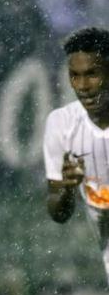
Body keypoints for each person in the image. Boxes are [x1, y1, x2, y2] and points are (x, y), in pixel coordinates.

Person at [44, 27, 109, 282]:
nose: (82, 86)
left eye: (92, 75)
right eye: (75, 76)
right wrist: (67, 189)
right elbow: (57, 212)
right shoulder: (61, 124)